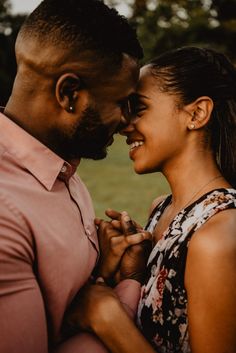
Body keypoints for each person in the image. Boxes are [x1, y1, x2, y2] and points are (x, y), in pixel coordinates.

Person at [0, 0, 151, 352]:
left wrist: (104, 270)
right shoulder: (5, 214)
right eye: (122, 102)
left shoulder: (60, 165)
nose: (128, 122)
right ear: (70, 94)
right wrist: (122, 295)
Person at [68, 46, 236, 353]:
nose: (123, 125)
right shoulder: (161, 209)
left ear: (196, 113)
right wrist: (132, 273)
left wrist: (108, 319)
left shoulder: (217, 236)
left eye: (139, 108)